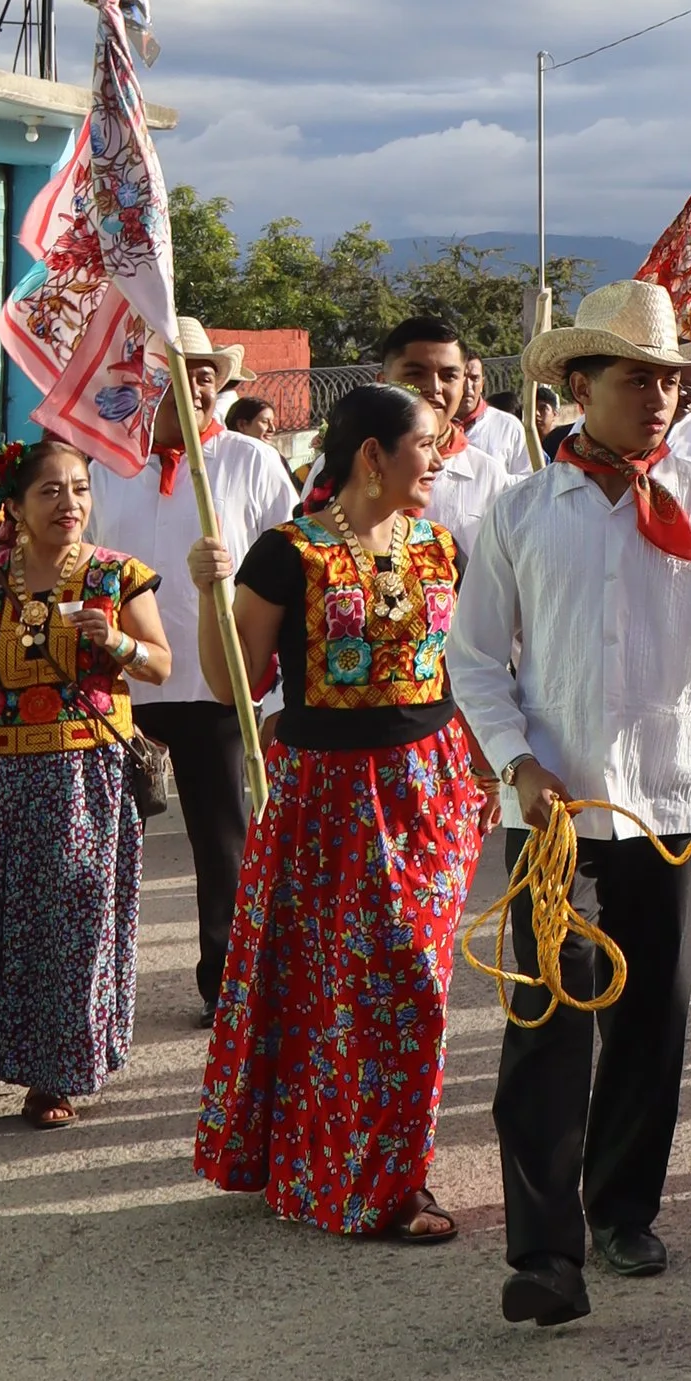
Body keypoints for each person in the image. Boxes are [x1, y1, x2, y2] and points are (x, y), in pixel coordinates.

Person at [449, 281, 691, 1327]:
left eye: (672, 380)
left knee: (652, 1015)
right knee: (548, 1023)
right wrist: (518, 763)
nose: (661, 397)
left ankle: (623, 1209)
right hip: (555, 811)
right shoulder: (522, 511)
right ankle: (543, 1254)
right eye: (636, 378)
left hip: (669, 797)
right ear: (579, 385)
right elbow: (473, 661)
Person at [188, 385, 492, 1241]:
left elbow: (459, 671)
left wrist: (485, 770)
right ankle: (382, 1182)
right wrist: (209, 595)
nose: (438, 458)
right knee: (351, 989)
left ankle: (387, 1161)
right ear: (371, 456)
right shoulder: (287, 553)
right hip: (329, 796)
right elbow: (231, 684)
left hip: (431, 791)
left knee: (418, 986)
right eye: (425, 444)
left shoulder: (443, 546)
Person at [85, 314, 296, 1021]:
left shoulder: (252, 461)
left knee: (223, 841)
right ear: (149, 385)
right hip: (121, 684)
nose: (200, 386)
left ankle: (227, 985)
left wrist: (275, 693)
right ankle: (94, 996)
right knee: (105, 853)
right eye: (183, 373)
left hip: (216, 680)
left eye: (209, 373)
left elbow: (289, 574)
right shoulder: (106, 467)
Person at [0, 436, 168, 1126]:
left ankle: (54, 1078)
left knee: (73, 926)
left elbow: (159, 663)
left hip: (81, 776)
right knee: (5, 924)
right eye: (51, 491)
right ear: (15, 506)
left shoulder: (116, 576)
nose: (70, 503)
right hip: (0, 774)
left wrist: (117, 641)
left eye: (80, 489)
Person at [381, 308, 524, 553]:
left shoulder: (488, 475)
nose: (434, 388)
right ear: (382, 382)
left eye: (449, 375)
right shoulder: (343, 466)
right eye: (415, 373)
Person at [460, 353, 531, 470]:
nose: (468, 386)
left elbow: (526, 481)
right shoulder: (434, 426)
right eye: (462, 378)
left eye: (474, 378)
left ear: (482, 384)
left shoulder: (509, 427)